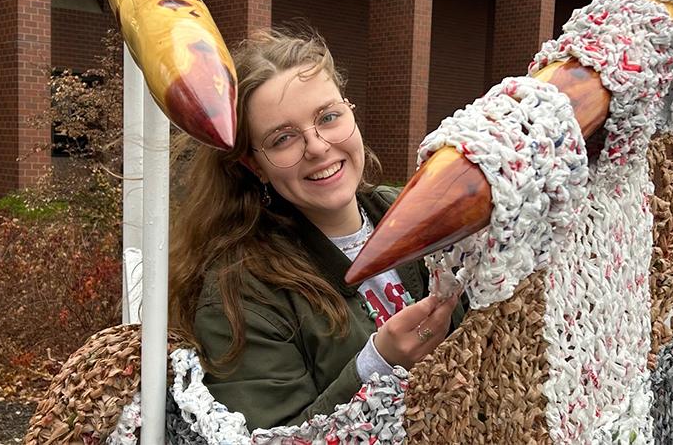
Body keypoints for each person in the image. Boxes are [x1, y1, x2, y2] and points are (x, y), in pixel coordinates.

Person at [169, 28, 466, 430]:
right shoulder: (239, 293)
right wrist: (377, 365)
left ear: (351, 114)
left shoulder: (418, 212)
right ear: (254, 165)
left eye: (328, 117)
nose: (318, 146)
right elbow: (269, 438)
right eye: (282, 138)